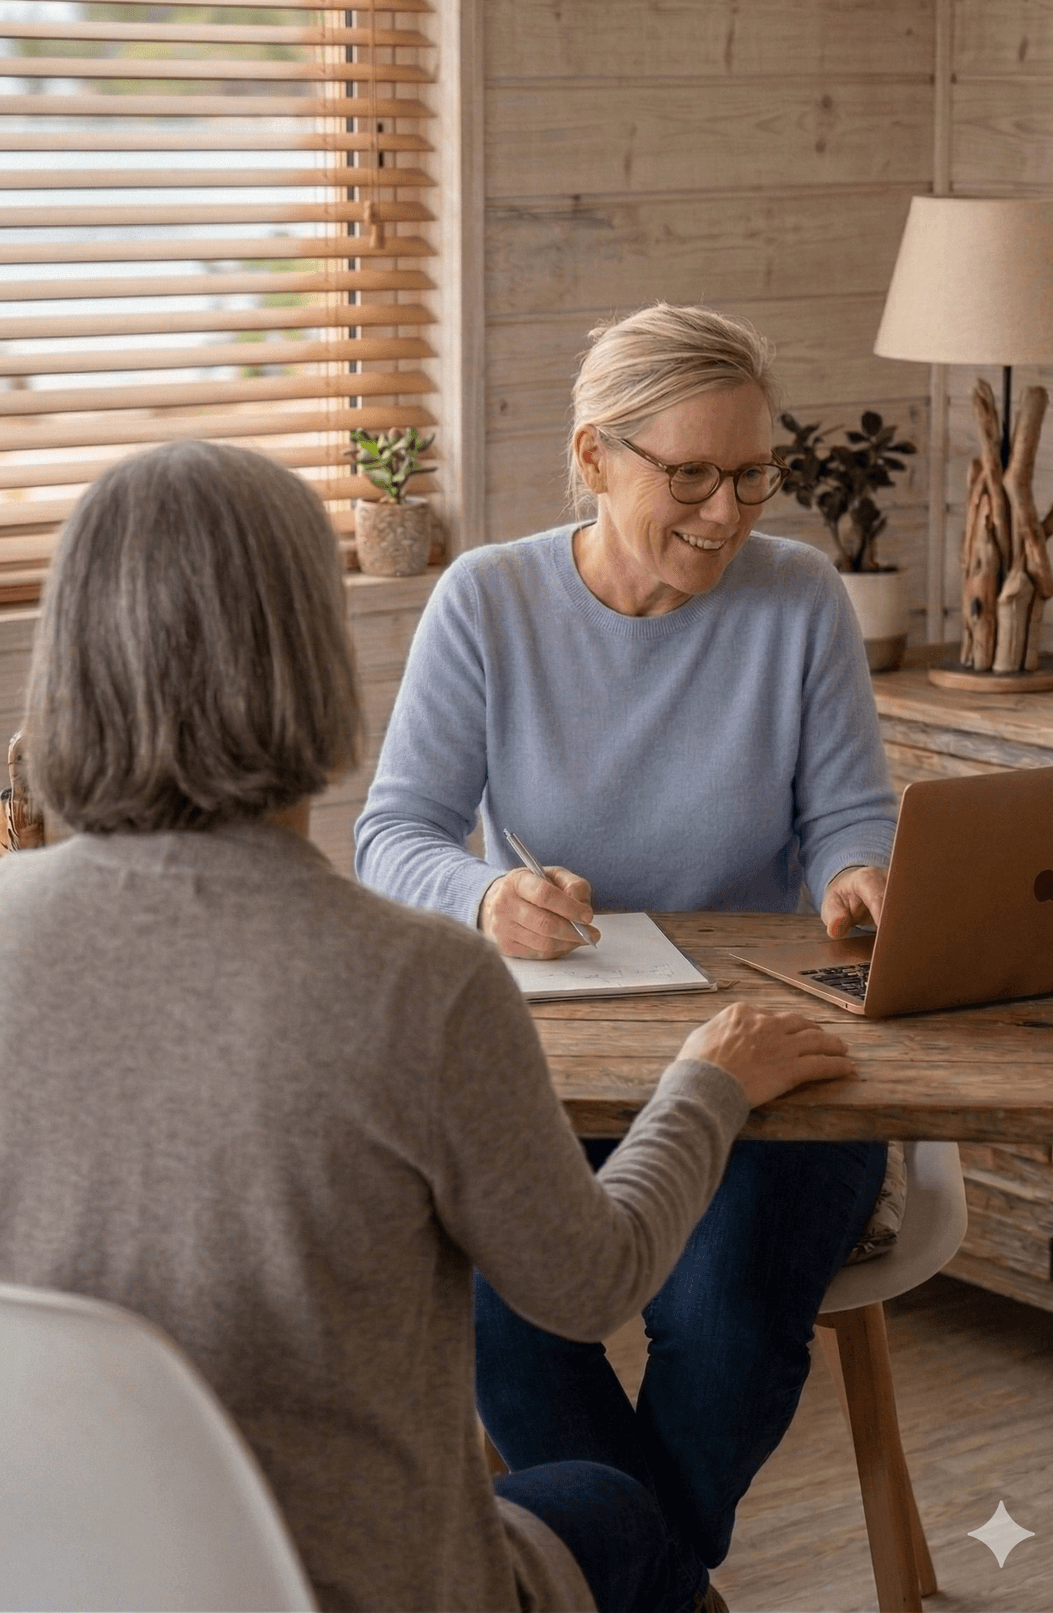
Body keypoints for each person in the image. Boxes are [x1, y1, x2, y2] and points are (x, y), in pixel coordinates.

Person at [0, 439, 859, 1613]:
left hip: (60, 1578)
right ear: (311, 656)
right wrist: (706, 1084)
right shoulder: (420, 981)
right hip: (379, 1586)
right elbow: (590, 1283)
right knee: (620, 1516)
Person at [355, 303, 897, 1581]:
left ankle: (619, 1586)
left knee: (722, 1306)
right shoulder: (489, 601)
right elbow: (393, 834)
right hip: (559, 1065)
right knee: (500, 1303)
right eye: (692, 475)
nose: (728, 512)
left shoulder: (800, 599)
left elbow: (848, 816)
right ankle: (659, 1590)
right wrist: (487, 895)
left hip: (767, 1058)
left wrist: (860, 877)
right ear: (594, 456)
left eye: (753, 474)